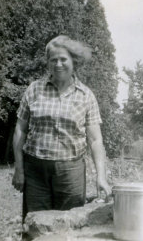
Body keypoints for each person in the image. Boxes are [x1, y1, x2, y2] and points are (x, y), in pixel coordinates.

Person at [11, 35, 111, 220]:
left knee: (69, 226)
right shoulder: (34, 90)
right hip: (36, 172)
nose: (58, 64)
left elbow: (96, 140)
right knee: (35, 225)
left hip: (70, 173)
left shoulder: (86, 96)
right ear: (48, 63)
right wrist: (19, 169)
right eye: (53, 60)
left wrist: (101, 177)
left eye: (63, 59)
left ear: (74, 61)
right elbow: (20, 130)